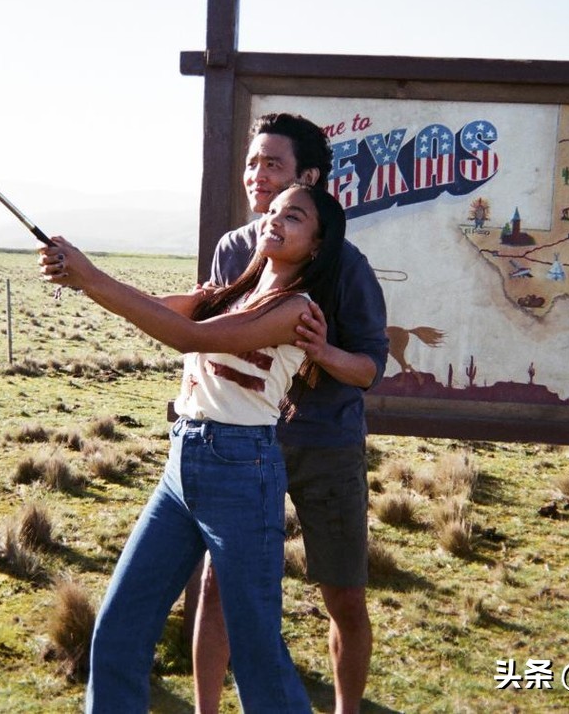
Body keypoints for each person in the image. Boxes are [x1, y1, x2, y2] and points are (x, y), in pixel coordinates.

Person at [41, 183, 347, 714]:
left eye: (294, 217)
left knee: (257, 653)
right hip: (182, 467)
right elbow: (155, 309)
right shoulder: (232, 291)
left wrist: (89, 274)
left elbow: (186, 335)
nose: (275, 219)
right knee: (118, 628)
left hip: (242, 472)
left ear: (316, 245)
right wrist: (82, 281)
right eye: (273, 211)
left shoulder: (296, 309)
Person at [193, 113, 389, 714]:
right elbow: (200, 328)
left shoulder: (346, 266)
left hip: (326, 446)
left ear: (309, 177)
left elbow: (369, 369)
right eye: (252, 162)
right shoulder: (233, 251)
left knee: (345, 600)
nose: (256, 175)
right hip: (244, 445)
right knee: (216, 590)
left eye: (272, 163)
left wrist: (320, 350)